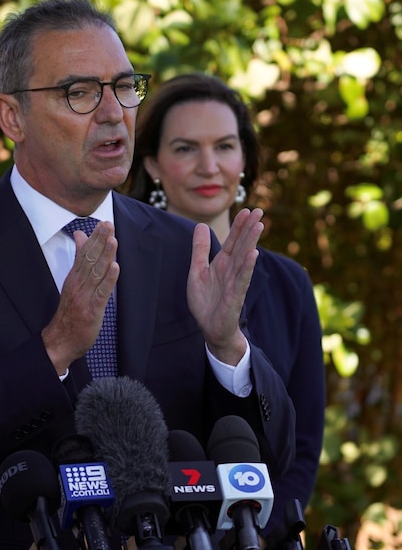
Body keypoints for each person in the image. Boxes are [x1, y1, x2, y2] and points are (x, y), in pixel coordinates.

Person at [0, 0, 296, 550]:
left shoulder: (182, 249)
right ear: (12, 117)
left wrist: (227, 347)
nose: (113, 113)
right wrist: (53, 349)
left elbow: (269, 459)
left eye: (124, 87)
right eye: (79, 92)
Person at [125, 73, 326, 546]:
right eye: (185, 148)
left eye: (225, 146)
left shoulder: (288, 285)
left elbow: (301, 452)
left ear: (244, 160)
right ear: (152, 164)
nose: (208, 166)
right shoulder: (116, 272)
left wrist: (248, 537)